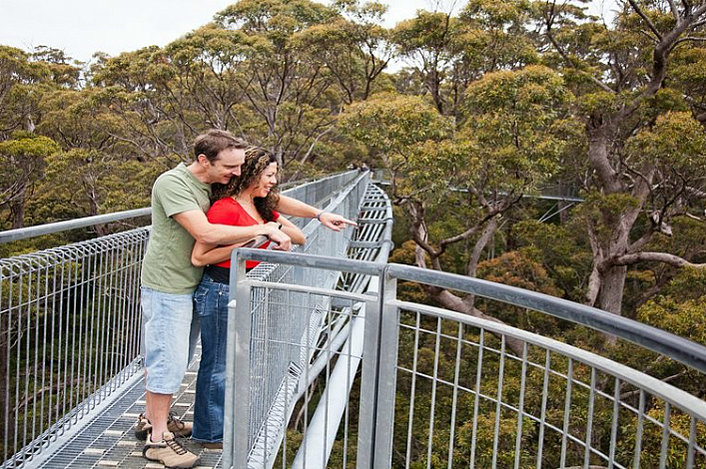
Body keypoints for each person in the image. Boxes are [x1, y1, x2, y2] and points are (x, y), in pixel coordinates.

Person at [137, 129, 355, 468]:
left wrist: (318, 215)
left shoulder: (214, 181)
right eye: (231, 167)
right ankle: (157, 439)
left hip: (193, 282)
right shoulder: (173, 184)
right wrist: (261, 231)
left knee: (176, 358)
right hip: (169, 285)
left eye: (240, 167)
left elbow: (272, 200)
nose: (236, 173)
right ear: (204, 161)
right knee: (167, 361)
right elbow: (205, 234)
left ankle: (154, 419)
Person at [190, 148, 305, 446]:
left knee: (233, 364)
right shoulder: (225, 208)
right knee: (218, 365)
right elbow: (200, 256)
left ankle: (219, 425)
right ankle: (210, 433)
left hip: (241, 289)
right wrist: (253, 240)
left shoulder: (259, 208)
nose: (273, 181)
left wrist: (272, 227)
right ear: (252, 175)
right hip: (220, 289)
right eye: (269, 175)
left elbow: (299, 236)